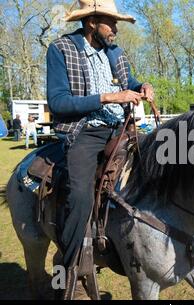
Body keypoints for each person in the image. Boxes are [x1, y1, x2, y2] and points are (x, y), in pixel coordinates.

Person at [46, 0, 154, 273]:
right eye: (112, 22)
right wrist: (109, 97)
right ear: (92, 21)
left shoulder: (114, 51)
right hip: (83, 131)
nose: (116, 28)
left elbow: (127, 82)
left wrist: (140, 85)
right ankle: (70, 269)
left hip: (120, 127)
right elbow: (58, 102)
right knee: (80, 196)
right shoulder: (60, 49)